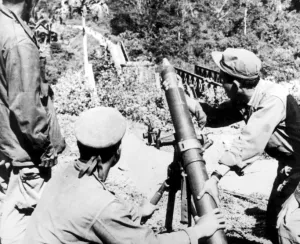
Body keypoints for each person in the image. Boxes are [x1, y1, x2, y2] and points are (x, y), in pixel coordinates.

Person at [23, 107, 226, 244]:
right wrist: (198, 231)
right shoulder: (100, 205)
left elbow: (138, 212)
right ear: (117, 153)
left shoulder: (67, 174)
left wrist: (164, 186)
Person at [183, 48, 300, 244]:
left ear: (236, 85)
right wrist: (185, 100)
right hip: (291, 164)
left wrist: (216, 176)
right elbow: (217, 115)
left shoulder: (272, 99)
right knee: (272, 223)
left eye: (222, 80)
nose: (220, 84)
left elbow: (250, 141)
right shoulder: (246, 98)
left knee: (289, 228)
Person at [0, 0, 65, 244]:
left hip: (6, 145)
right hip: (24, 153)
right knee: (27, 224)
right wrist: (44, 149)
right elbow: (25, 106)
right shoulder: (18, 42)